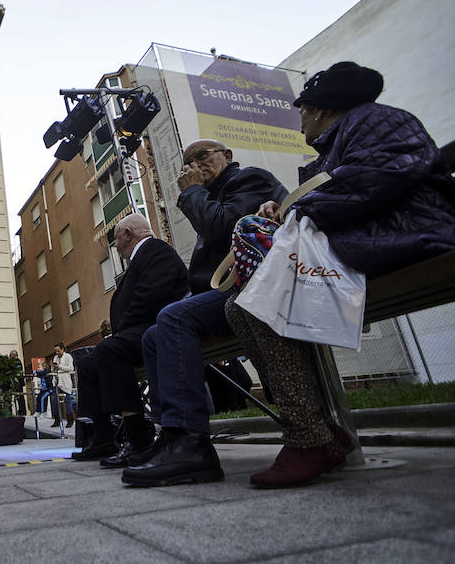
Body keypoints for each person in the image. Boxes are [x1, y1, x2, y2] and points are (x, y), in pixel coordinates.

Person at [224, 61, 455, 488]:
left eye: (302, 110)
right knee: (241, 306)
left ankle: (311, 437)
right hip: (372, 237)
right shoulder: (341, 140)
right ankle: (315, 427)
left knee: (262, 301)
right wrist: (288, 208)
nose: (299, 119)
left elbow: (374, 179)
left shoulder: (377, 120)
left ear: (321, 109)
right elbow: (340, 189)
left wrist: (298, 209)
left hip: (407, 233)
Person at [121, 138, 288, 484]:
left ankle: (193, 444)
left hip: (255, 287)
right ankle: (174, 435)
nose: (194, 166)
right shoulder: (212, 195)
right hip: (226, 293)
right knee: (154, 335)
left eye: (201, 156)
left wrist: (192, 192)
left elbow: (222, 228)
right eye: (188, 162)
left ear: (227, 156)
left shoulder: (248, 179)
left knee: (173, 317)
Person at [72, 213, 188, 463]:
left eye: (116, 240)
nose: (116, 247)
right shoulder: (142, 258)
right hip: (138, 332)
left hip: (156, 329)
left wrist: (122, 330)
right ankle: (102, 438)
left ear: (128, 234)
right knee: (88, 364)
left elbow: (152, 296)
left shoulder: (155, 250)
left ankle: (139, 439)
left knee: (109, 350)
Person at [51, 342, 75, 428]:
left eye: (58, 351)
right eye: (55, 351)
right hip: (57, 381)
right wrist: (53, 366)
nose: (57, 353)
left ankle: (70, 421)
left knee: (67, 401)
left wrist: (59, 366)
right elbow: (53, 369)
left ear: (62, 349)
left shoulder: (68, 356)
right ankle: (57, 420)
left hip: (65, 381)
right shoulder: (55, 357)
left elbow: (71, 368)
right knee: (54, 401)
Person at [8, 350, 27, 416]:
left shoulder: (17, 361)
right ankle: (14, 411)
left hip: (18, 382)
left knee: (20, 397)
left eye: (11, 355)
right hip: (14, 382)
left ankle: (22, 411)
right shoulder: (14, 361)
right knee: (15, 397)